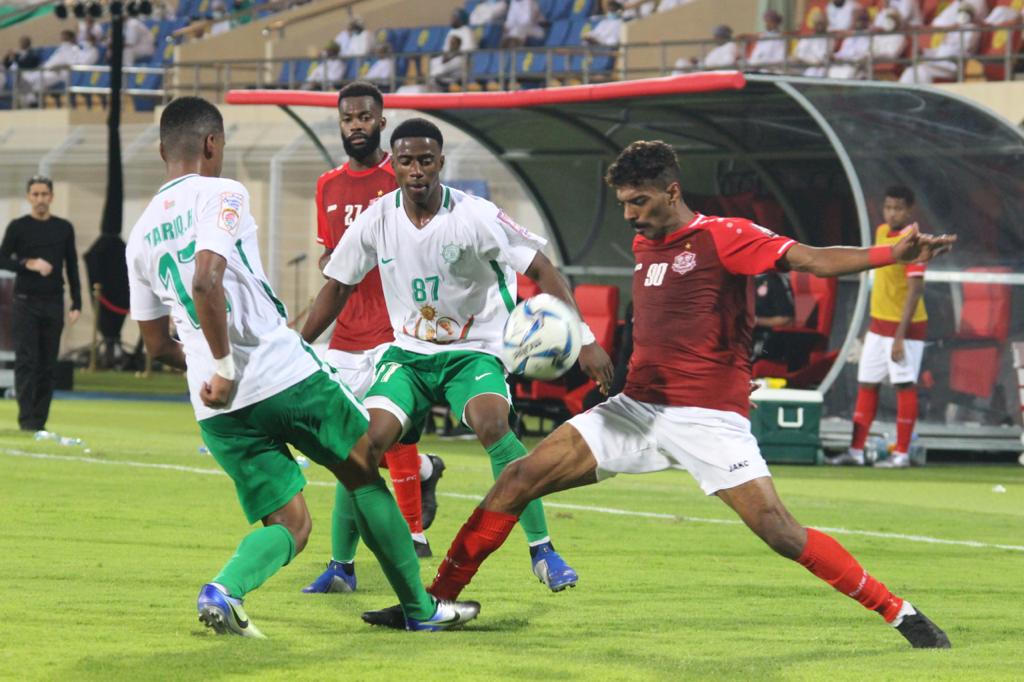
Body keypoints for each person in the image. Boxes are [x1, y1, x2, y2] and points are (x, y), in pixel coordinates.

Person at [412, 140, 956, 649]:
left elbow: (813, 259)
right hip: (636, 409)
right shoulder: (644, 242)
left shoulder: (726, 236)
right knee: (518, 478)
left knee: (779, 531)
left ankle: (899, 611)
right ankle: (434, 600)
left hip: (708, 418)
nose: (630, 214)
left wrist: (893, 254)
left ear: (671, 192)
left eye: (639, 201)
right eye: (623, 203)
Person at [126, 96, 479, 635]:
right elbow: (205, 279)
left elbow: (154, 344)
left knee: (291, 524)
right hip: (280, 375)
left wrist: (210, 369)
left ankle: (224, 589)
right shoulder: (223, 192)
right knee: (361, 471)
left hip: (216, 409)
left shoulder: (139, 236)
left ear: (160, 151)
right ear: (212, 144)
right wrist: (227, 364)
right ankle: (420, 609)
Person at [301, 118, 615, 613]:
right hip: (408, 355)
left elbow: (542, 268)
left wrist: (586, 339)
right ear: (394, 165)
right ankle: (341, 566)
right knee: (363, 445)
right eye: (406, 161)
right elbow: (337, 286)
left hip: (474, 351)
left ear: (441, 163)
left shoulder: (476, 215)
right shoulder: (377, 218)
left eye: (426, 160)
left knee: (493, 425)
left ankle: (543, 551)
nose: (416, 170)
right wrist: (299, 345)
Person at [302, 82, 445, 595]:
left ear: (381, 122)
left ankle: (390, 543)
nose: (356, 125)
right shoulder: (327, 185)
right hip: (346, 336)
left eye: (365, 117)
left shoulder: (404, 174)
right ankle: (422, 474)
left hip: (396, 331)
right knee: (345, 448)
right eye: (348, 118)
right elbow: (333, 261)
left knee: (365, 446)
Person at [828, 186, 928, 469]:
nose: (892, 213)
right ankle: (856, 451)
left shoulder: (915, 242)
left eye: (898, 208)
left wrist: (899, 336)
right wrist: (868, 327)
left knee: (904, 384)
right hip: (878, 325)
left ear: (910, 211)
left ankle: (902, 453)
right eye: (888, 207)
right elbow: (880, 282)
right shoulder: (882, 231)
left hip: (906, 329)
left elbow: (915, 291)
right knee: (867, 383)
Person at [0, 175, 81, 432]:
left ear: (52, 197)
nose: (40, 199)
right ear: (28, 197)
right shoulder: (18, 227)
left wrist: (77, 302)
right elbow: (2, 259)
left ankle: (40, 421)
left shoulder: (64, 228)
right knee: (27, 361)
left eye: (44, 194)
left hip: (53, 302)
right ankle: (26, 420)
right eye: (35, 194)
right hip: (25, 302)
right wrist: (28, 263)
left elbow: (72, 265)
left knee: (48, 364)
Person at [899, 3, 979, 84]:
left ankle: (926, 92)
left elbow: (964, 48)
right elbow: (937, 52)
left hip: (952, 66)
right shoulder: (950, 31)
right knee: (910, 71)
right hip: (938, 63)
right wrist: (923, 52)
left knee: (921, 72)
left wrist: (949, 35)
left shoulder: (971, 30)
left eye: (964, 14)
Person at [19, 30, 80, 106]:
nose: (63, 39)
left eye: (65, 37)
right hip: (45, 69)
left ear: (71, 38)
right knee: (23, 77)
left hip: (57, 73)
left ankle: (33, 103)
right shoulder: (60, 48)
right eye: (62, 37)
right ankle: (31, 100)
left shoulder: (73, 49)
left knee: (38, 81)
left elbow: (73, 64)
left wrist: (59, 67)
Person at [752, 271, 794, 364]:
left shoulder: (773, 281)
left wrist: (756, 321)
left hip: (767, 337)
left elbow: (786, 319)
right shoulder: (743, 280)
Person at [429, 9, 476, 88]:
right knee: (433, 61)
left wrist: (450, 57)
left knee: (440, 69)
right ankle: (444, 82)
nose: (451, 19)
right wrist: (445, 57)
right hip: (450, 58)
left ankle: (439, 82)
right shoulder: (451, 31)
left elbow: (468, 51)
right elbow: (446, 49)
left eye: (454, 17)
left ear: (460, 19)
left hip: (461, 59)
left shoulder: (466, 31)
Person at [827, 8, 873, 79]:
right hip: (844, 64)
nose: (857, 22)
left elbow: (864, 56)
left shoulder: (869, 36)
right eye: (855, 20)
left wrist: (846, 60)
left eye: (860, 20)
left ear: (865, 21)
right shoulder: (850, 37)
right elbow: (842, 53)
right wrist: (834, 56)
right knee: (831, 72)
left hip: (857, 67)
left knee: (846, 73)